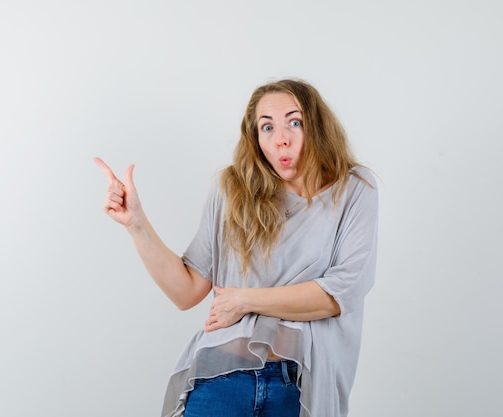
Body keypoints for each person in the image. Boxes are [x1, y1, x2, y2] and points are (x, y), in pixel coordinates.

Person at [94, 78, 378, 417]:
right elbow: (186, 291)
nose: (281, 138)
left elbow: (337, 295)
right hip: (220, 378)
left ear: (316, 126)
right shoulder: (232, 190)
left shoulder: (354, 189)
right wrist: (136, 223)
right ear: (256, 139)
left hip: (298, 387)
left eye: (295, 122)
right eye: (267, 127)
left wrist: (243, 300)